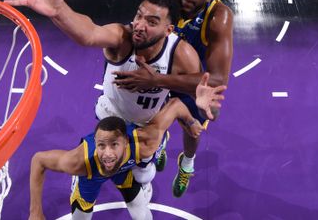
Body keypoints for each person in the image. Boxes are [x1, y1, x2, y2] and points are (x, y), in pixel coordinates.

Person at [81, 0, 246, 197]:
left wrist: (156, 80)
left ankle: (187, 163)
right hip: (156, 65)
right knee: (147, 117)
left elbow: (216, 80)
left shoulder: (219, 17)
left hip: (189, 77)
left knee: (198, 125)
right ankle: (155, 145)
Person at [1, 0, 203, 183]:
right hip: (112, 114)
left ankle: (161, 149)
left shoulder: (182, 54)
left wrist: (160, 83)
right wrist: (60, 10)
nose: (140, 26)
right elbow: (89, 33)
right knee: (103, 167)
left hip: (148, 123)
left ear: (168, 29)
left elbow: (202, 92)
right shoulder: (122, 38)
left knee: (143, 177)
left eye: (152, 22)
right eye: (138, 15)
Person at [28, 74, 225, 220]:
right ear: (95, 144)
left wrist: (191, 120)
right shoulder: (78, 161)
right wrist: (35, 211)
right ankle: (77, 184)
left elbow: (174, 105)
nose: (107, 153)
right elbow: (39, 160)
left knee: (143, 215)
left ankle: (155, 156)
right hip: (91, 175)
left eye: (114, 145)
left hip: (124, 170)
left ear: (125, 142)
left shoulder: (143, 143)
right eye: (101, 145)